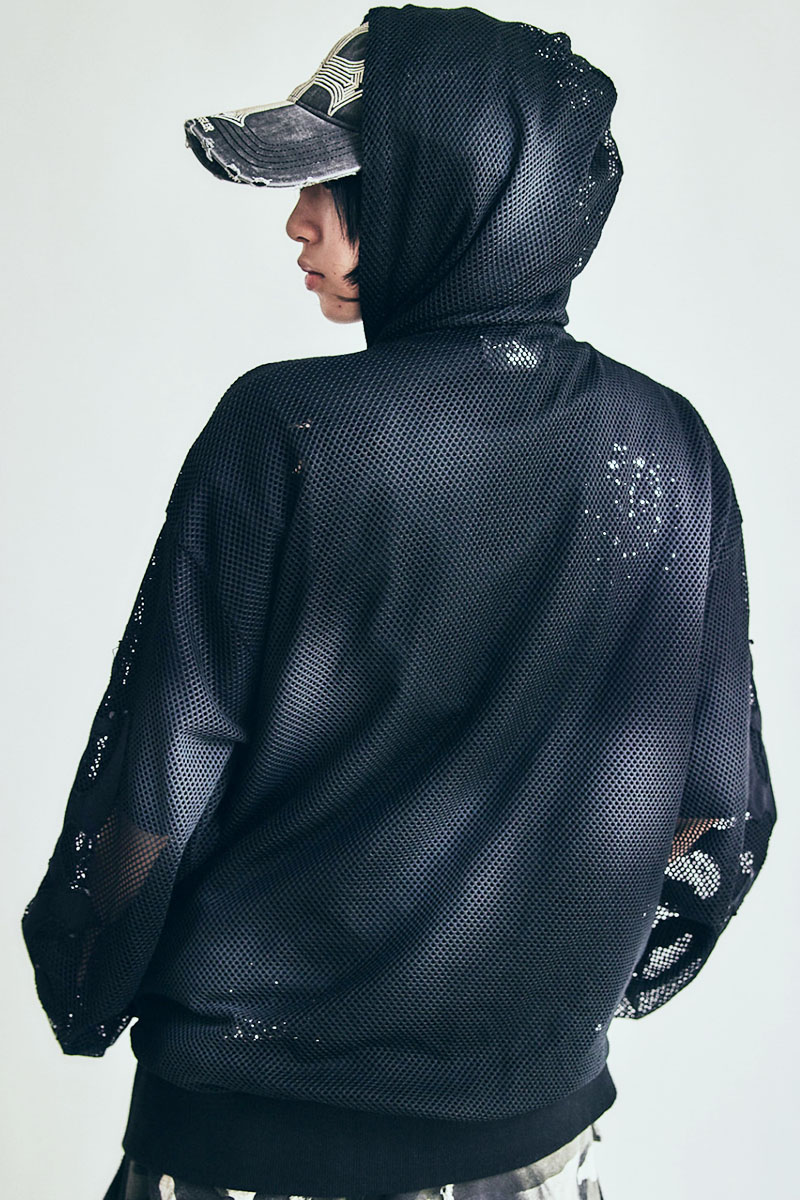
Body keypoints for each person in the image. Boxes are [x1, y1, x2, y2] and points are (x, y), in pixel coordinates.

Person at [21, 8, 777, 1200]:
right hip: (529, 1141)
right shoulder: (668, 447)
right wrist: (542, 987)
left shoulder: (286, 428)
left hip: (249, 1140)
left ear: (462, 196)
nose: (298, 220)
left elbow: (159, 781)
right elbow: (714, 807)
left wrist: (88, 976)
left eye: (342, 183)